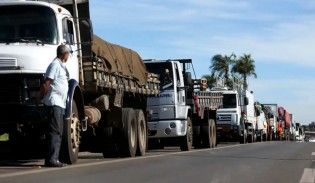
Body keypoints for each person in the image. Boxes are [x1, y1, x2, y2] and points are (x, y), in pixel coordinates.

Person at [37, 45, 70, 167]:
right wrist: (39, 98)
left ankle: (53, 158)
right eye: (68, 53)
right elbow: (46, 83)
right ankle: (52, 159)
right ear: (64, 54)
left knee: (58, 131)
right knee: (55, 131)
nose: (69, 56)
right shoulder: (55, 65)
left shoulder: (61, 66)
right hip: (54, 102)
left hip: (60, 103)